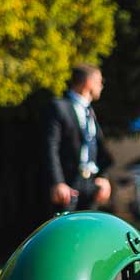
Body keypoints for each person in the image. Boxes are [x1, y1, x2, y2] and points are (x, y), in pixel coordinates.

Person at [42, 63, 112, 216]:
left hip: (90, 184)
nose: (101, 86)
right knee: (65, 232)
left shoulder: (89, 111)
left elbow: (100, 149)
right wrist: (57, 182)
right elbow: (50, 147)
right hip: (69, 185)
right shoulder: (60, 107)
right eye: (99, 81)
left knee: (89, 231)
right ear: (88, 83)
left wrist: (103, 177)